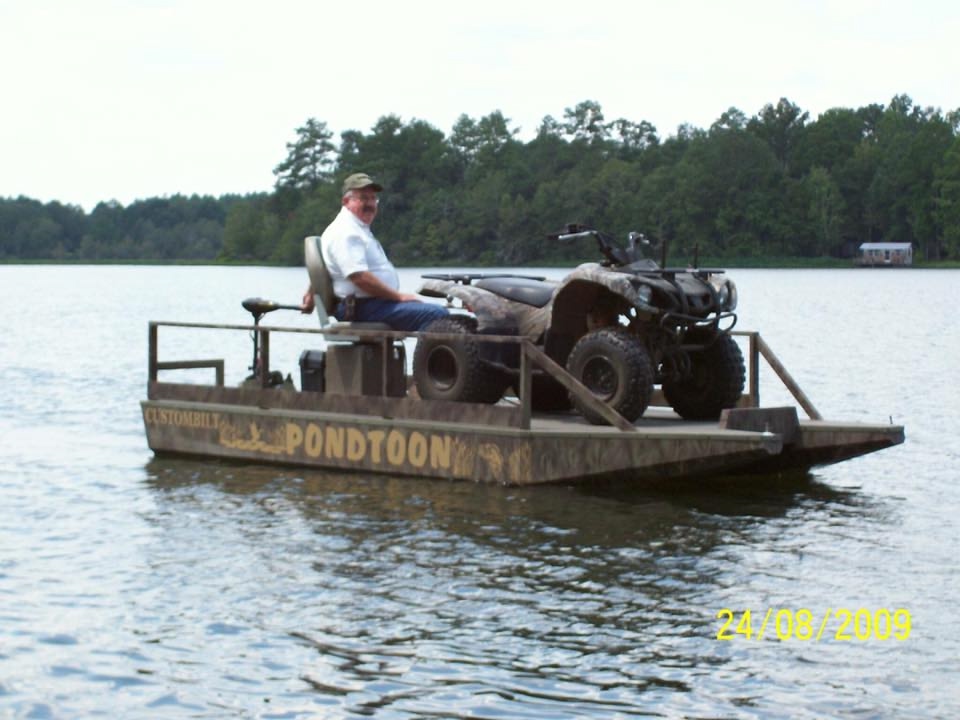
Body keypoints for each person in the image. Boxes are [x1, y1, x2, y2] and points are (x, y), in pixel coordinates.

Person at [300, 172, 448, 331]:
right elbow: (359, 277)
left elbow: (329, 267)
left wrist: (312, 291)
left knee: (438, 313)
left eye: (373, 198)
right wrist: (399, 297)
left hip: (372, 304)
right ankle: (431, 348)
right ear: (346, 201)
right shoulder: (346, 232)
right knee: (436, 315)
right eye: (363, 198)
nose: (370, 204)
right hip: (361, 308)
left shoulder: (355, 228)